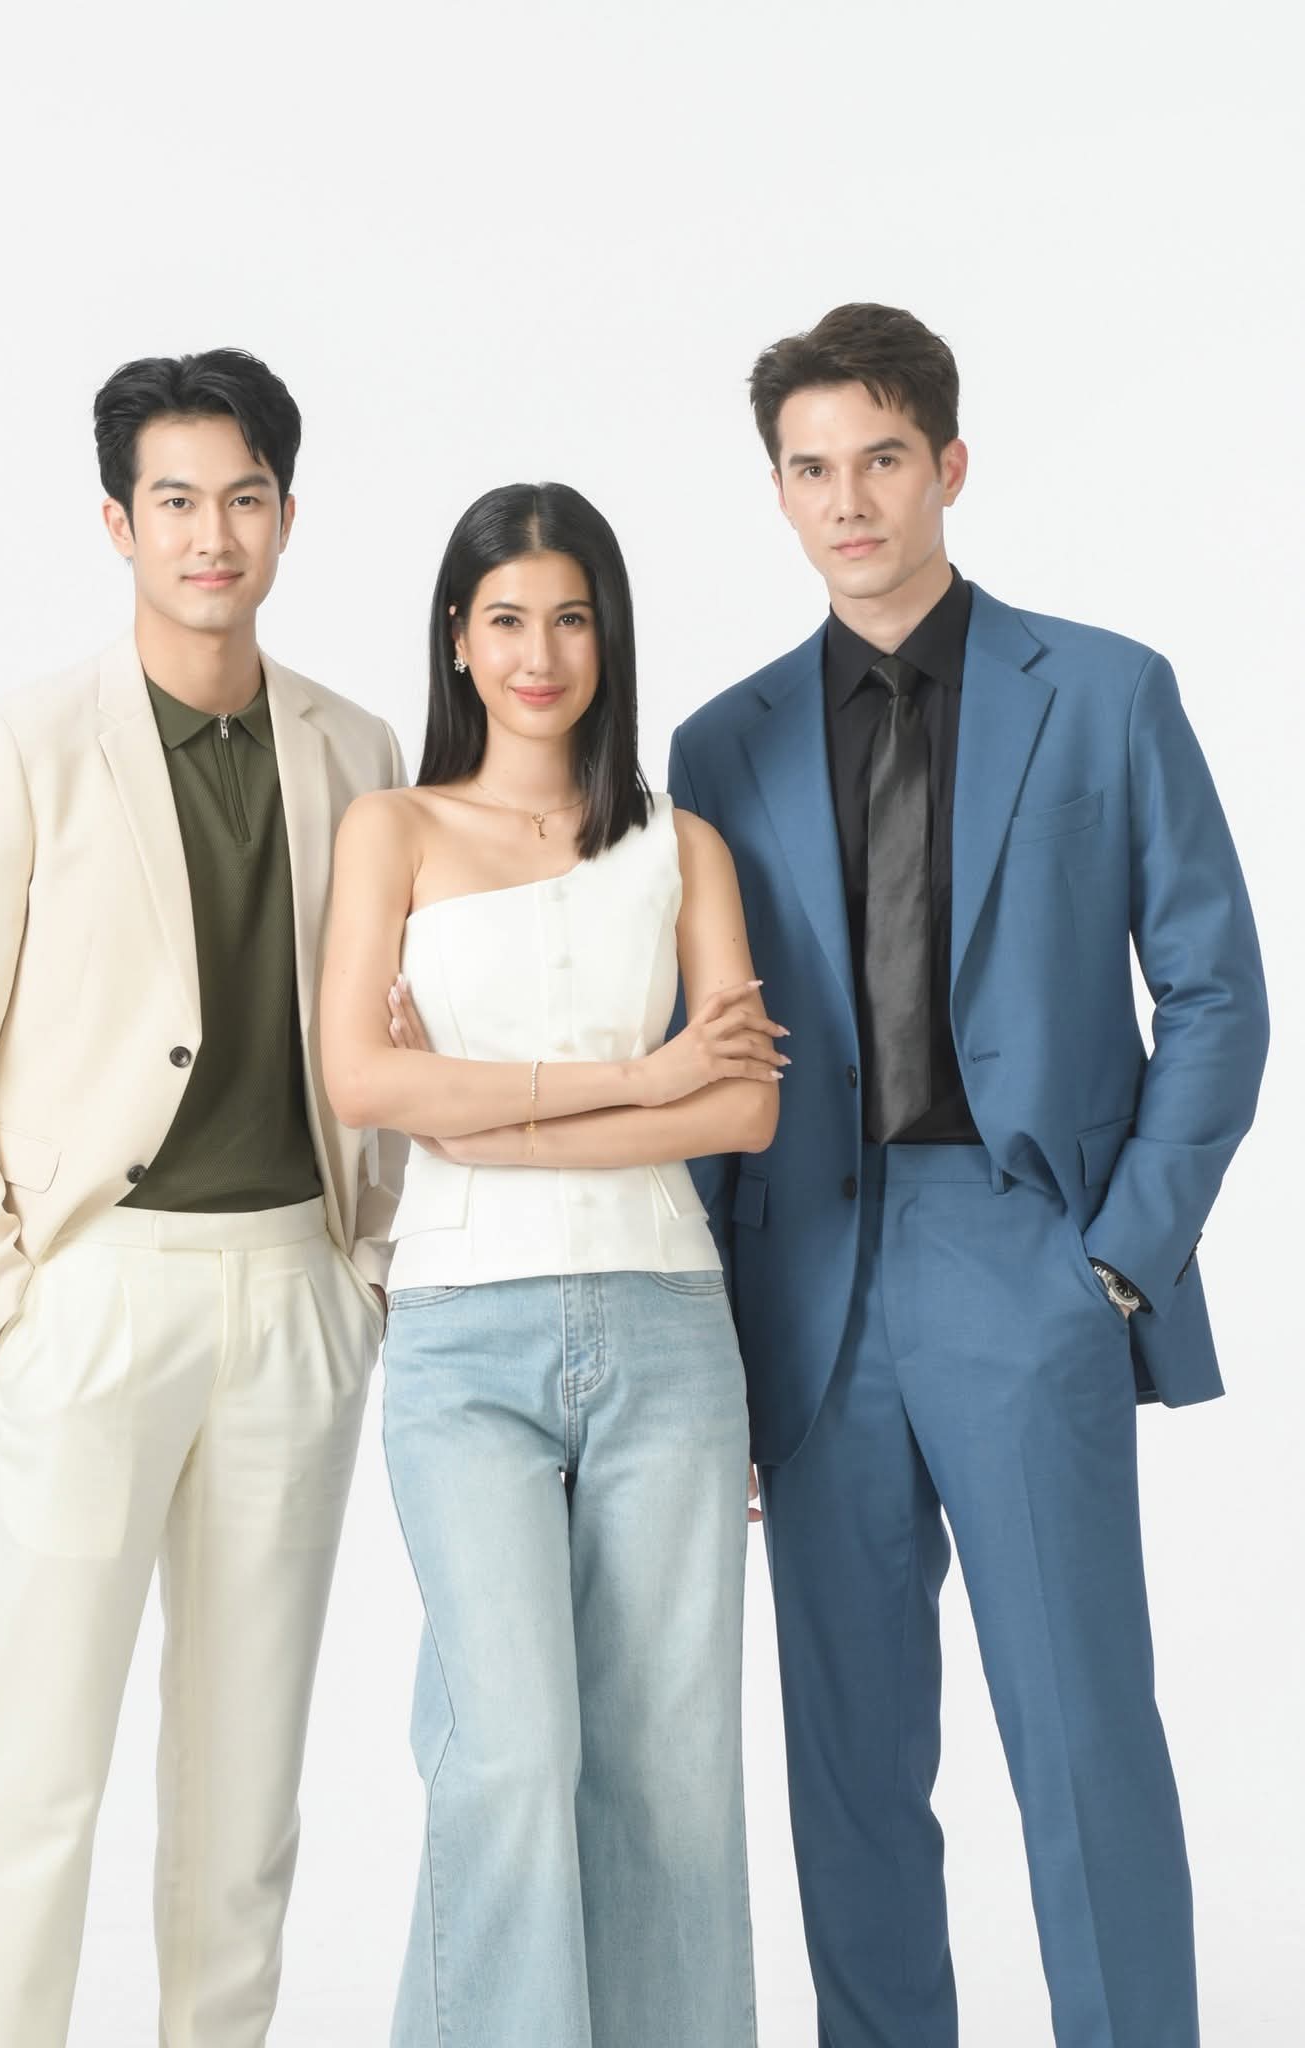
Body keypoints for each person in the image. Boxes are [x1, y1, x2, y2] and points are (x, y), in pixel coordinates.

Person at [668, 303, 1268, 2048]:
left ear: (946, 463)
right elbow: (706, 1045)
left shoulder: (1102, 690)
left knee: (1081, 1737)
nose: (846, 500)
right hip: (806, 1281)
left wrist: (1118, 1257)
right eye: (809, 469)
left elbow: (1216, 992)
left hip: (1025, 1259)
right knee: (848, 1764)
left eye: (878, 459)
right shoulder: (717, 746)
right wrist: (717, 1339)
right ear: (777, 493)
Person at [0, 347, 407, 2048]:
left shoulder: (356, 746)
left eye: (243, 499)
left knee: (245, 1790)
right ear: (117, 522)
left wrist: (366, 1268)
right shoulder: (22, 745)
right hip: (96, 1293)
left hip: (295, 1293)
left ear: (288, 517)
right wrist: (2, 1306)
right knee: (33, 1765)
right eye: (174, 501)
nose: (210, 536)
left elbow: (391, 1025)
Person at [320, 481, 777, 2048]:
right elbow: (364, 1082)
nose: (539, 653)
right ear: (457, 638)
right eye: (506, 618)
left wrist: (492, 1117)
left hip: (666, 1328)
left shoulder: (682, 847)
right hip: (461, 1339)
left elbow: (746, 1106)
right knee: (511, 1754)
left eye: (570, 618)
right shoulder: (390, 831)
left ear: (608, 637)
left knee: (668, 1769)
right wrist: (640, 1083)